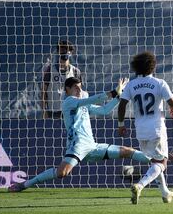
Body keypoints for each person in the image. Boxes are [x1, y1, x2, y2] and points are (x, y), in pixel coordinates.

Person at [8, 76, 150, 192]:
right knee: (61, 173)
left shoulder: (83, 104)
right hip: (77, 146)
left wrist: (119, 97)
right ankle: (25, 185)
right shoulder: (68, 102)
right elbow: (91, 99)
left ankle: (159, 160)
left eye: (80, 87)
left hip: (92, 146)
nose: (79, 89)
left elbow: (105, 110)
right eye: (76, 87)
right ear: (67, 89)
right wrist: (114, 92)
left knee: (127, 151)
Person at [118, 51, 173, 204]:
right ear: (152, 67)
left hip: (140, 130)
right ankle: (140, 185)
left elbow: (122, 105)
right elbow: (172, 103)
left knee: (154, 162)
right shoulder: (159, 83)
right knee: (162, 163)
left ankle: (165, 193)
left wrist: (121, 125)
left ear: (136, 68)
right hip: (156, 128)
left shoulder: (131, 85)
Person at [42, 40, 82, 119]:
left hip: (70, 112)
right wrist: (44, 111)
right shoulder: (50, 70)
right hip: (53, 112)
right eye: (62, 49)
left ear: (71, 53)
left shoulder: (75, 71)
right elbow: (43, 92)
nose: (65, 52)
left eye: (67, 50)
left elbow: (79, 93)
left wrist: (79, 111)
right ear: (58, 52)